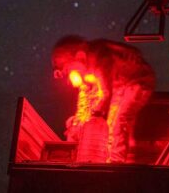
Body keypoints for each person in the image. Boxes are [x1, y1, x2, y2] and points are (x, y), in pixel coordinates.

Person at [51, 35, 155, 163]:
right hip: (118, 85)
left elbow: (106, 93)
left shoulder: (100, 58)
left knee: (117, 123)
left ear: (79, 56)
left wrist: (93, 121)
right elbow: (85, 100)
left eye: (68, 69)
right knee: (102, 121)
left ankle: (116, 163)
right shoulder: (86, 71)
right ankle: (112, 158)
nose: (70, 78)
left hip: (137, 81)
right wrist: (77, 126)